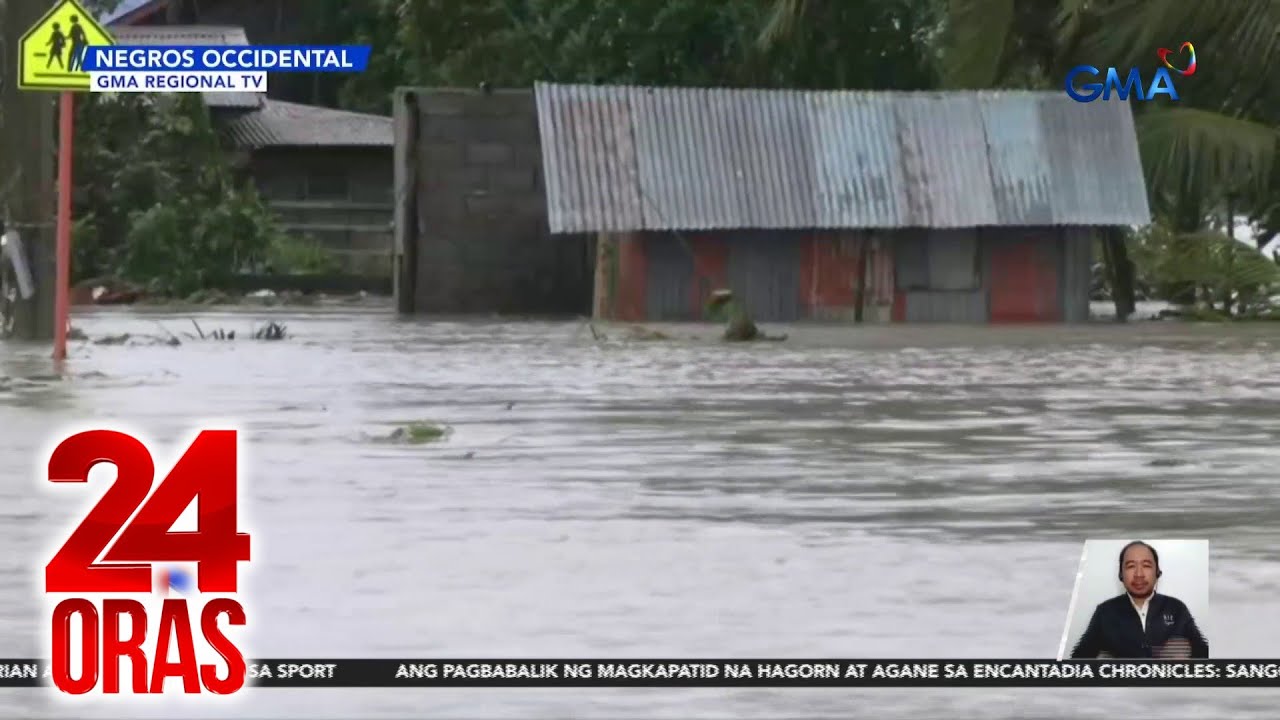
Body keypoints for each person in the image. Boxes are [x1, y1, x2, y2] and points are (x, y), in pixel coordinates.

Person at [1070, 541, 1209, 659]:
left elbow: (1204, 654)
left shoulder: (1177, 608)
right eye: (1131, 566)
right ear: (1121, 574)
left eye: (1146, 565)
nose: (1139, 574)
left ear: (1157, 572)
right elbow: (1078, 660)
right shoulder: (1105, 612)